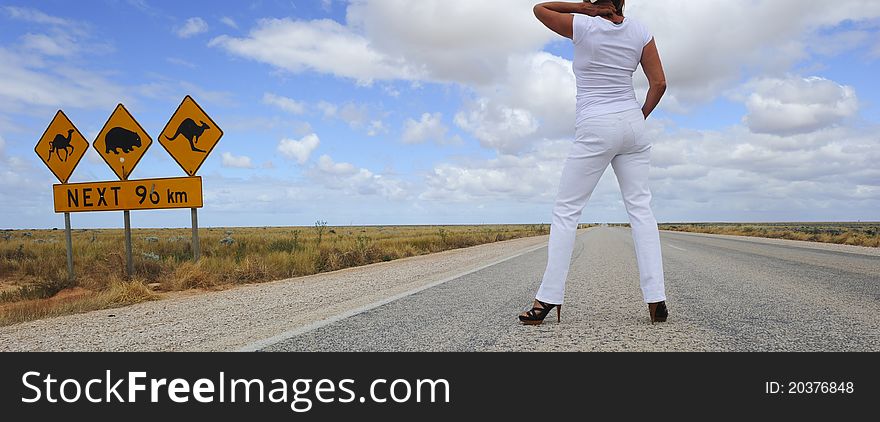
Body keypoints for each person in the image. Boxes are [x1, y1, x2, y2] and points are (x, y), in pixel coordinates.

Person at [519, 0, 669, 325]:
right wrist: (637, 118)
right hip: (633, 124)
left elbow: (540, 9)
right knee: (641, 210)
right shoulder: (641, 31)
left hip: (596, 125)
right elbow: (659, 84)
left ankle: (547, 299)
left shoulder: (583, 25)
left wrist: (582, 9)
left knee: (567, 211)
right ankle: (656, 299)